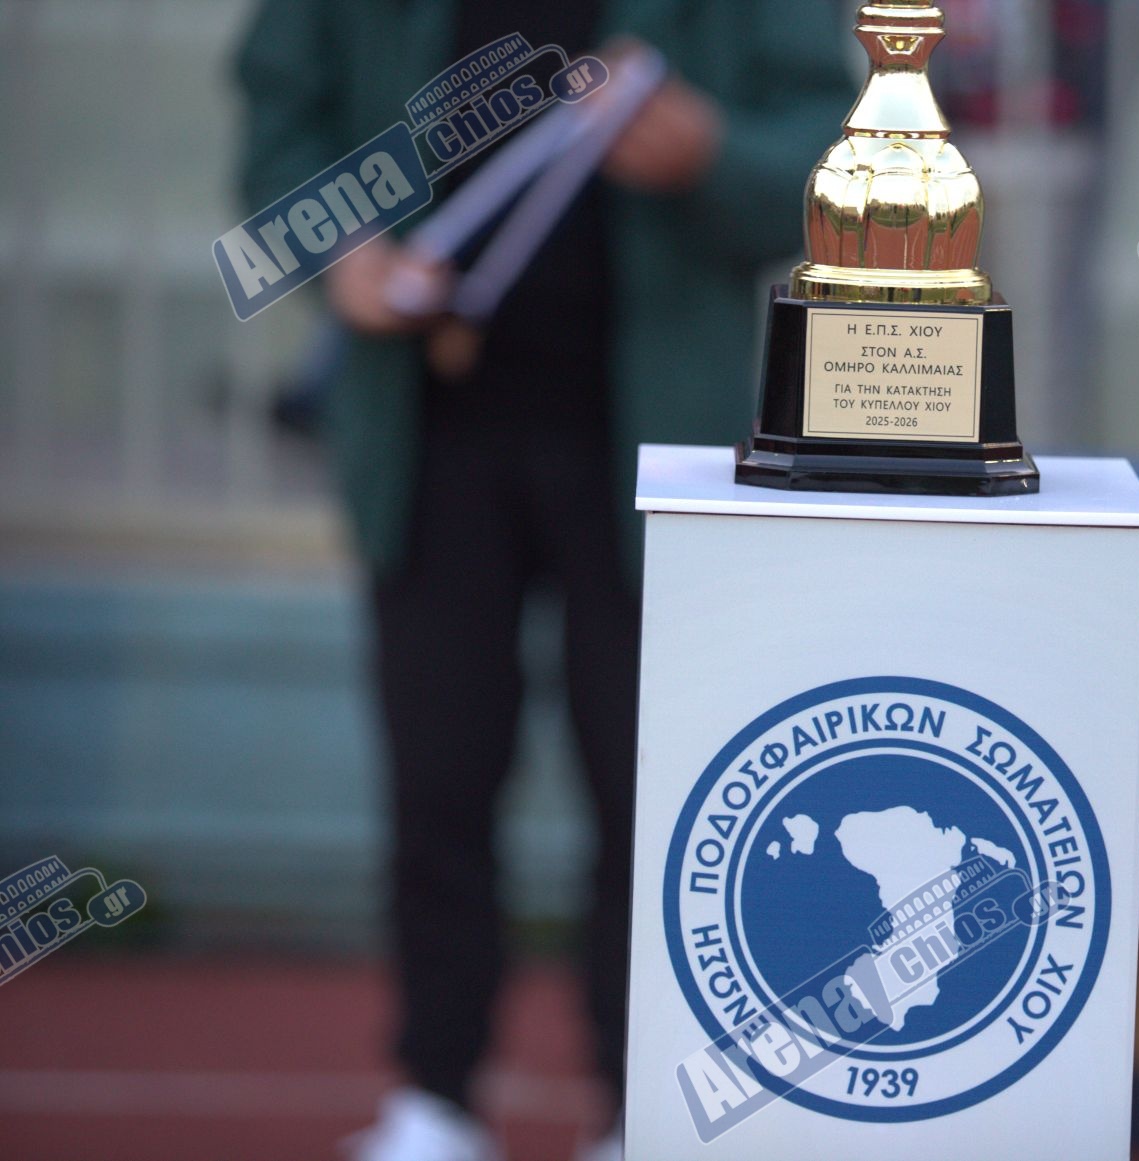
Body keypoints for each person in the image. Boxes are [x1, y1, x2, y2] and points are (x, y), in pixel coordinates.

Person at [233, 2, 853, 1158]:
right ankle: (435, 1098)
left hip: (656, 442)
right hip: (426, 431)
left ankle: (642, 1109)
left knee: (656, 793)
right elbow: (280, 122)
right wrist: (338, 254)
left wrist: (711, 153)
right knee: (438, 778)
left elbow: (828, 156)